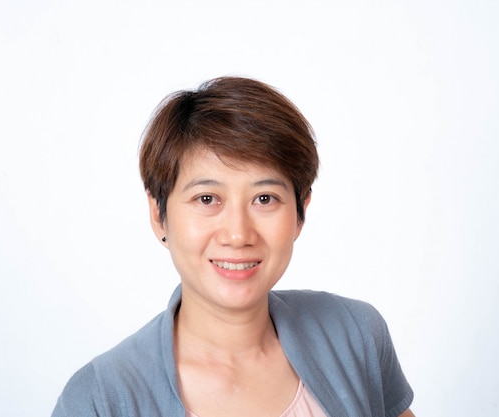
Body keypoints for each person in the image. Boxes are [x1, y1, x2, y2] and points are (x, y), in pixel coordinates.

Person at [51, 76, 415, 417]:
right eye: (207, 198)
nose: (238, 234)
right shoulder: (100, 397)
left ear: (301, 212)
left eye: (265, 198)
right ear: (159, 215)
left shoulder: (354, 333)